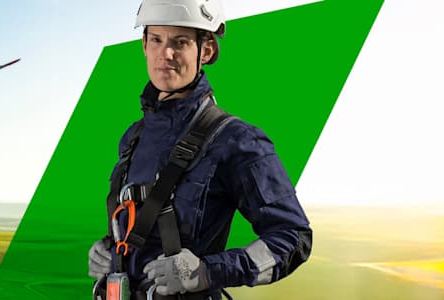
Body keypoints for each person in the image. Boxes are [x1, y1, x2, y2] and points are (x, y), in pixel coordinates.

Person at [88, 0, 314, 298]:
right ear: (144, 45)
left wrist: (208, 271)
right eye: (156, 39)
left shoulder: (237, 140)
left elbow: (293, 238)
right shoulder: (133, 137)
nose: (165, 54)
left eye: (179, 42)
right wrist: (109, 249)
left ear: (205, 50)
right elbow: (141, 224)